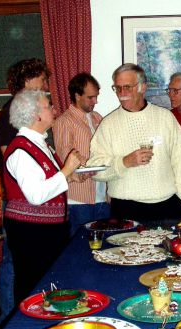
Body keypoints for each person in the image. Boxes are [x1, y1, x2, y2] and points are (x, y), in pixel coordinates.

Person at [3, 89, 82, 305]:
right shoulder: (21, 150)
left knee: (50, 289)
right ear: (35, 115)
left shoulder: (40, 143)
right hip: (32, 234)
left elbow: (48, 182)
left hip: (47, 231)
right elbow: (36, 195)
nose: (54, 109)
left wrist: (68, 176)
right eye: (49, 106)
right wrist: (66, 171)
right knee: (34, 290)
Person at [87, 63, 181, 222]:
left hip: (168, 206)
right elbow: (94, 170)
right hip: (125, 209)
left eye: (127, 87)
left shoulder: (165, 118)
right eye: (118, 88)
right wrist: (124, 162)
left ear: (143, 87)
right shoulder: (108, 124)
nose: (122, 93)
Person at [0, 58, 50, 323]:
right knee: (13, 263)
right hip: (18, 203)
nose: (46, 86)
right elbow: (11, 162)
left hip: (31, 203)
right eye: (42, 79)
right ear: (28, 80)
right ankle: (9, 318)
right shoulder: (9, 115)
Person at [53, 73, 110, 236]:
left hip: (102, 197)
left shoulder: (98, 118)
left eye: (96, 97)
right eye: (91, 97)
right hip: (79, 200)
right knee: (80, 249)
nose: (96, 101)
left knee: (103, 246)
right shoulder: (64, 121)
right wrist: (96, 165)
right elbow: (66, 156)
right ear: (77, 96)